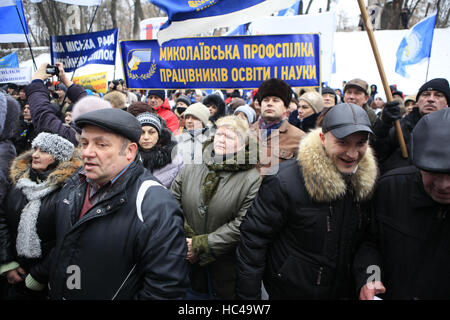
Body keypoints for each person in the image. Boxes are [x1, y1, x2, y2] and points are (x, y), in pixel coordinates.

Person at [23, 108, 190, 299]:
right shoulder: (74, 184)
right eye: (84, 143)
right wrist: (41, 275)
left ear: (129, 151)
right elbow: (67, 243)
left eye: (101, 144)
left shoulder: (155, 205)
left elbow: (165, 289)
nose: (87, 153)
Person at [236, 103, 378, 299]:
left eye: (360, 143)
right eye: (343, 142)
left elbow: (369, 242)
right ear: (322, 138)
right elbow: (252, 241)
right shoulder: (284, 181)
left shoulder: (365, 183)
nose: (352, 154)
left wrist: (370, 278)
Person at [354, 107, 450, 300]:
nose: (444, 185)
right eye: (434, 172)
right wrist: (371, 277)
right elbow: (370, 244)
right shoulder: (391, 189)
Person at [171, 115, 261, 299]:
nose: (221, 139)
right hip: (185, 258)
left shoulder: (252, 178)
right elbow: (172, 202)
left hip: (225, 264)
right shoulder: (193, 164)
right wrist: (187, 240)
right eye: (219, 134)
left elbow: (243, 222)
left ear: (243, 144)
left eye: (229, 137)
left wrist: (201, 245)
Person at [0, 133, 81, 299]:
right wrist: (7, 262)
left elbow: (68, 239)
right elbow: (2, 219)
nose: (35, 154)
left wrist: (39, 275)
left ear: (59, 158)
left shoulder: (70, 190)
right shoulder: (19, 183)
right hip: (14, 273)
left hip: (49, 280)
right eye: (35, 149)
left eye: (44, 151)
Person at [371, 78, 449, 175]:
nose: (431, 99)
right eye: (426, 94)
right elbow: (376, 153)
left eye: (438, 95)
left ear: (447, 104)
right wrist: (383, 124)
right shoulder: (401, 127)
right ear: (417, 102)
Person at [26, 63, 111, 145]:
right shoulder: (97, 128)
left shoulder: (74, 138)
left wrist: (36, 81)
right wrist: (66, 81)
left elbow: (43, 119)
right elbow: (89, 107)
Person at [250, 78, 306, 176]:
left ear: (285, 107)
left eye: (275, 100)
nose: (269, 103)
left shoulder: (300, 138)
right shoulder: (247, 132)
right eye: (265, 100)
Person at [135, 112, 184, 188]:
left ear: (159, 134)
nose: (146, 137)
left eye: (151, 132)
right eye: (142, 132)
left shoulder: (177, 161)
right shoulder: (127, 158)